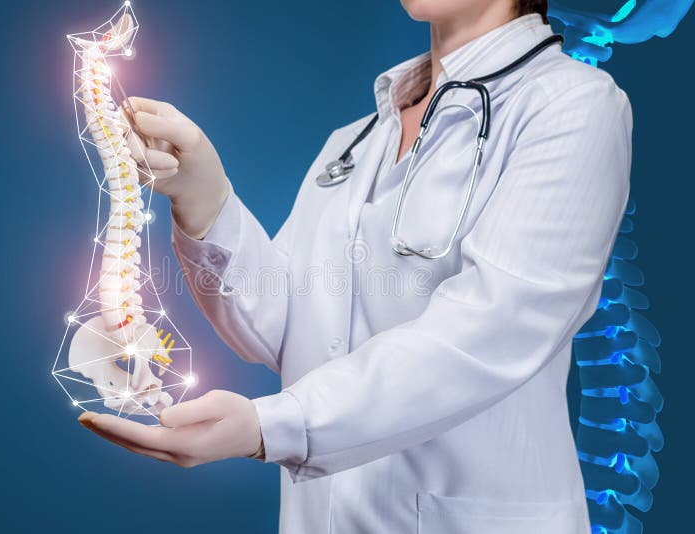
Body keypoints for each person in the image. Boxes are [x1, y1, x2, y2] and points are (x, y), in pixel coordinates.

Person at [78, 1, 632, 532]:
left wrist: (272, 426)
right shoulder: (354, 141)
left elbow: (495, 327)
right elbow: (285, 327)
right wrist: (204, 198)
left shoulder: (571, 105)